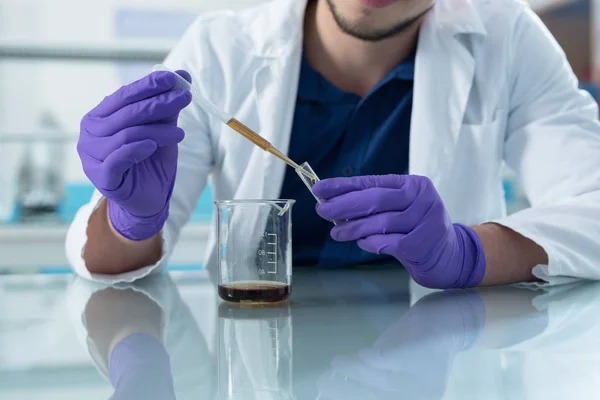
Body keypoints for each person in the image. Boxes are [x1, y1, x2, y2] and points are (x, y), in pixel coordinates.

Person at [67, 0, 600, 287]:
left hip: (448, 349)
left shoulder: (509, 38)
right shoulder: (219, 48)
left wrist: (467, 252)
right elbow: (113, 262)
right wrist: (127, 219)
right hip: (255, 342)